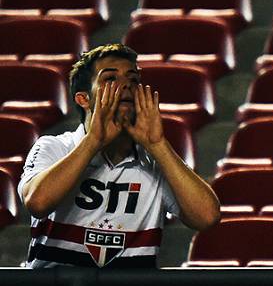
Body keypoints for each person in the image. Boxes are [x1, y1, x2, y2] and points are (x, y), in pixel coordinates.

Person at [18, 44, 220, 268]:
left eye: (133, 80)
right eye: (111, 78)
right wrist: (93, 141)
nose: (126, 85)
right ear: (83, 99)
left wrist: (158, 145)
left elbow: (207, 218)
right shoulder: (54, 146)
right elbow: (37, 202)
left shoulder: (155, 161)